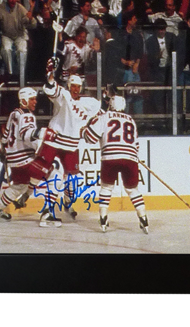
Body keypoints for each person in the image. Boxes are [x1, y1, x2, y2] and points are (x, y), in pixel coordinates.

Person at [37, 59, 101, 225]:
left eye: (78, 87)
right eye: (73, 86)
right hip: (55, 140)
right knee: (43, 173)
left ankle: (67, 202)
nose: (75, 89)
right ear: (69, 86)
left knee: (73, 182)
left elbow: (103, 116)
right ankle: (44, 208)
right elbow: (51, 88)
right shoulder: (63, 96)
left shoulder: (90, 103)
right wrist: (50, 74)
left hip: (71, 145)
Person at [81, 95, 149, 234]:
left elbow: (90, 138)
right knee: (133, 190)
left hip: (110, 157)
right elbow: (136, 146)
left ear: (111, 105)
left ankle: (103, 217)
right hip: (130, 158)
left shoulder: (104, 116)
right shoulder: (131, 120)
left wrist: (83, 129)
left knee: (106, 188)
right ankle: (144, 219)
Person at [0, 87, 53, 223]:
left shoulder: (14, 113)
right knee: (54, 175)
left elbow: (5, 137)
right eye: (32, 99)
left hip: (13, 160)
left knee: (19, 185)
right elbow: (26, 135)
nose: (35, 102)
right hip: (24, 159)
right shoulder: (27, 115)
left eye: (35, 99)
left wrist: (3, 150)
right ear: (24, 100)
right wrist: (44, 134)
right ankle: (48, 213)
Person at [0, 0, 37, 75]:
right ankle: (10, 73)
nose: (13, 0)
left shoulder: (20, 8)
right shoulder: (0, 8)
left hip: (20, 34)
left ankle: (21, 74)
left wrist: (31, 19)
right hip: (6, 35)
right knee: (6, 49)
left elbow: (33, 25)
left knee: (22, 50)